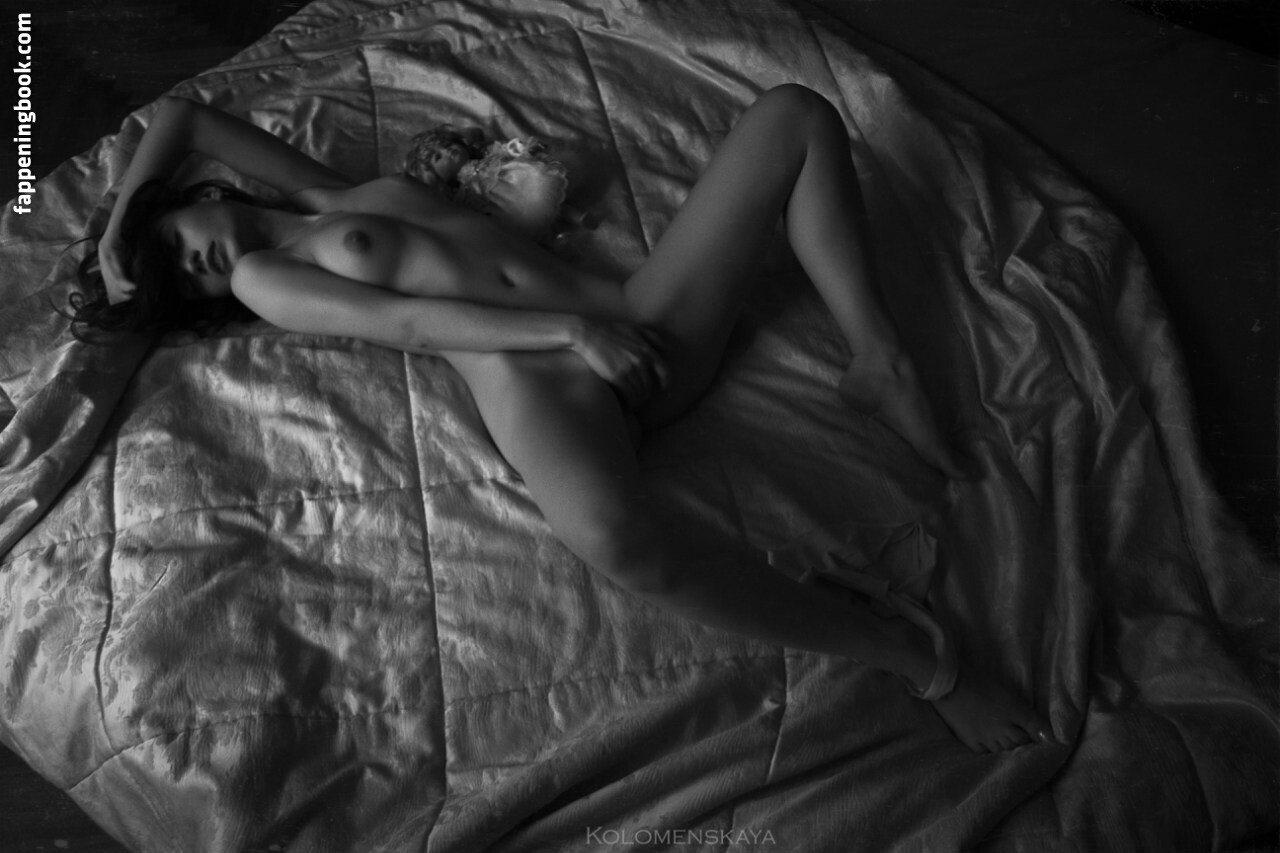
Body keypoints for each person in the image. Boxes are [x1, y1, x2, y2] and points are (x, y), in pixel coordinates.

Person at [74, 85, 1050, 752]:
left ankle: (877, 358)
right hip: (536, 377)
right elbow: (409, 324)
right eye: (179, 280)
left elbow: (182, 115)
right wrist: (569, 334)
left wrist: (120, 230)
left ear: (187, 201)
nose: (193, 262)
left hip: (635, 320)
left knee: (793, 116)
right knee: (614, 540)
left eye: (176, 240)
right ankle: (916, 657)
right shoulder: (266, 275)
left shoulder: (322, 195)